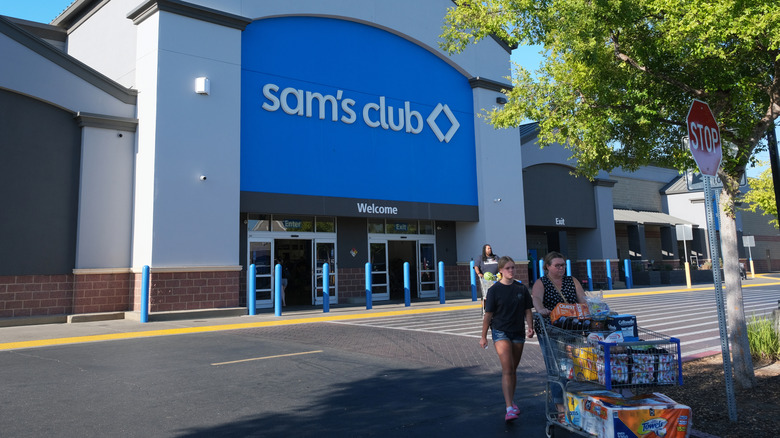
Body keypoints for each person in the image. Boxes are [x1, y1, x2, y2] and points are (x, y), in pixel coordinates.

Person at [531, 251, 587, 422]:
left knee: (579, 366)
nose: (561, 268)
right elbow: (536, 299)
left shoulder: (572, 280)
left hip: (573, 328)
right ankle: (560, 407)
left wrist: (588, 308)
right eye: (557, 265)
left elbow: (583, 299)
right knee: (557, 369)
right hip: (551, 330)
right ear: (547, 266)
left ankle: (577, 403)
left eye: (563, 265)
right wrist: (541, 309)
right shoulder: (542, 282)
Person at [480, 256, 535, 422]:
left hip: (517, 331)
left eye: (513, 268)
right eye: (508, 268)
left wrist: (530, 327)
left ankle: (512, 400)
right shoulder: (494, 290)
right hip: (500, 331)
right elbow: (488, 315)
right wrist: (483, 336)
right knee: (507, 368)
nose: (511, 271)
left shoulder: (521, 288)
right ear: (501, 271)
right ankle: (509, 407)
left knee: (513, 369)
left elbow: (527, 310)